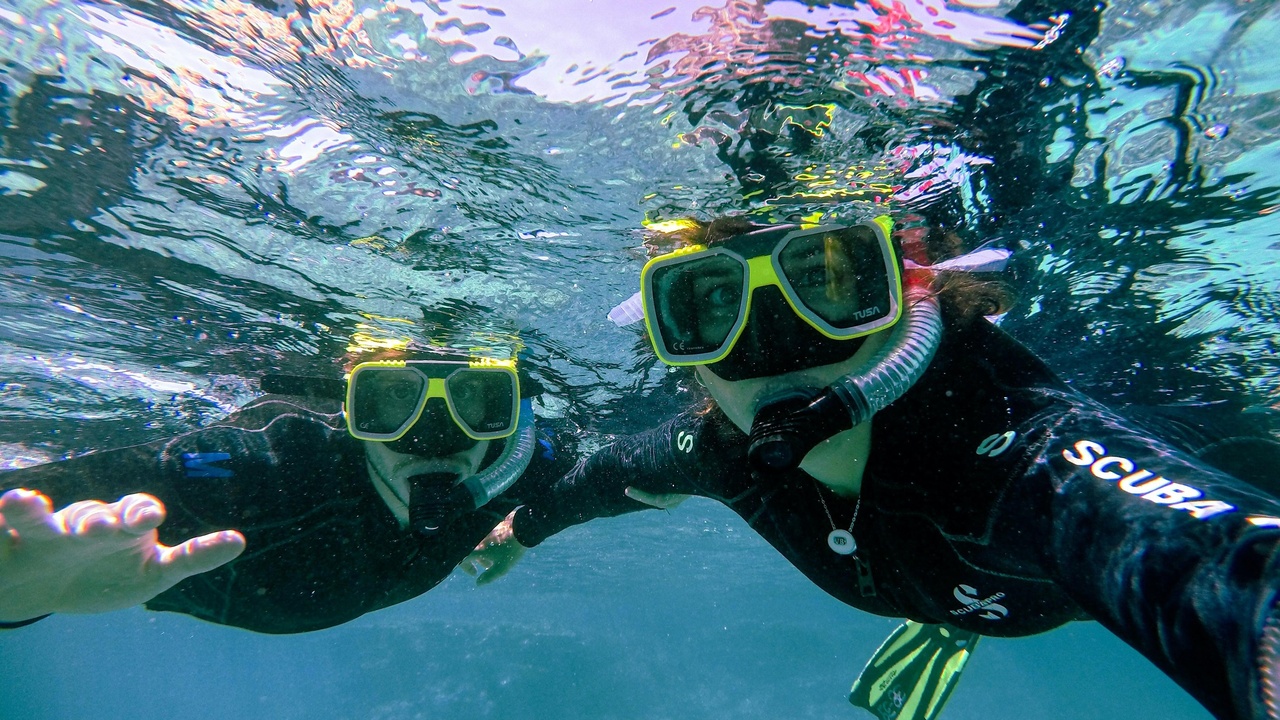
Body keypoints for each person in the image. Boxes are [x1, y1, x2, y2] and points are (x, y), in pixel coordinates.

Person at [468, 215, 1280, 720]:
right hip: (961, 590)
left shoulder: (1026, 456)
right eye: (710, 305)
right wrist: (520, 531)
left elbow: (1213, 565)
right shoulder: (721, 449)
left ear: (917, 292)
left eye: (832, 281)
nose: (773, 347)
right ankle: (957, 613)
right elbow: (602, 477)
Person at [0, 344, 571, 633]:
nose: (438, 441)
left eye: (477, 401)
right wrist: (21, 597)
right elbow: (28, 518)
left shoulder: (519, 459)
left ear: (508, 409)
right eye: (394, 399)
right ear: (351, 408)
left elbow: (623, 468)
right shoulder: (271, 464)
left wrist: (529, 526)